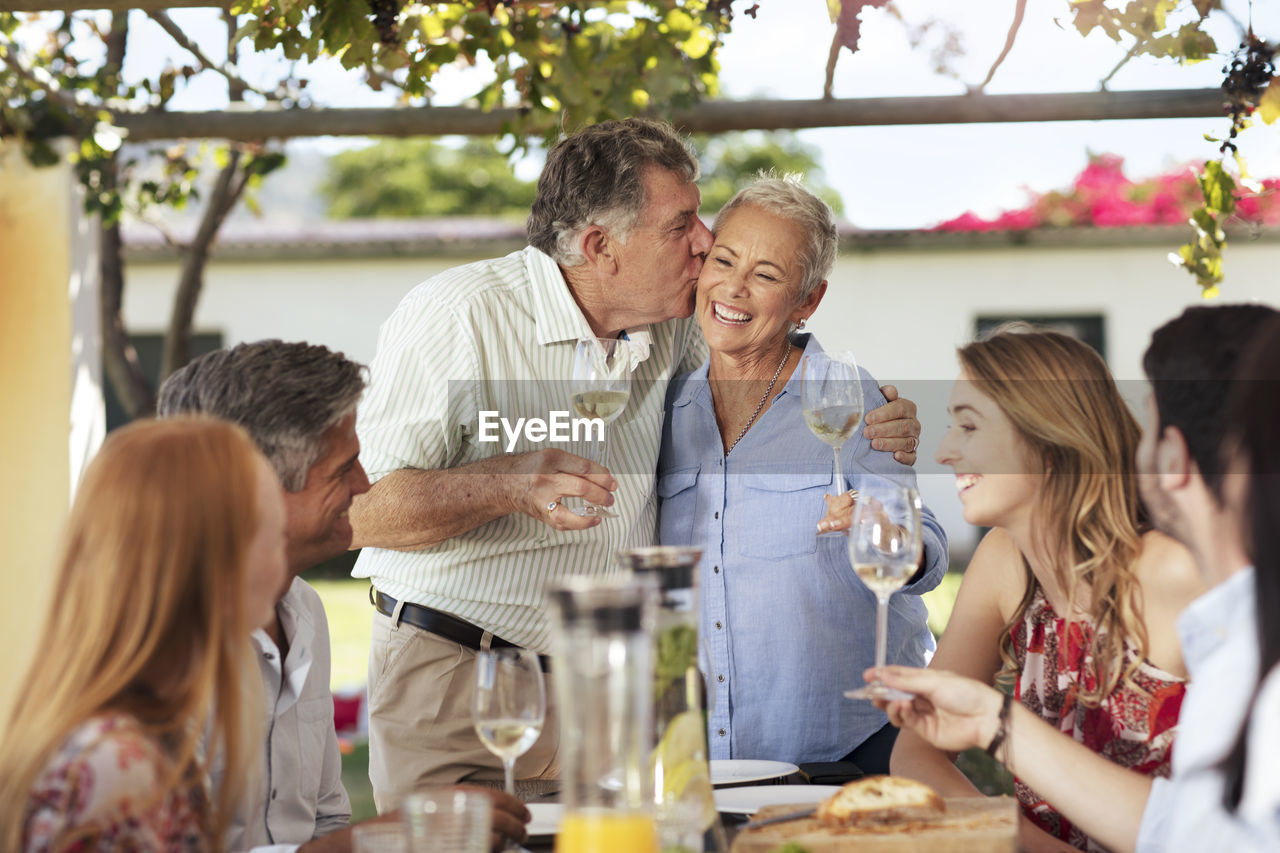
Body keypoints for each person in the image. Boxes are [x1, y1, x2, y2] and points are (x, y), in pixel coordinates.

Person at [349, 117, 925, 808]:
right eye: (682, 224)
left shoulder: (671, 327)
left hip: (609, 696)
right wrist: (506, 482)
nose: (706, 243)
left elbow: (765, 348)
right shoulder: (459, 315)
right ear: (600, 246)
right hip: (460, 683)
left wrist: (876, 412)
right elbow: (361, 510)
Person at [867, 304, 1280, 853]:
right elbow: (915, 754)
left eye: (969, 425)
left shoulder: (1176, 576)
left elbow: (1219, 832)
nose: (944, 451)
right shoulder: (1004, 560)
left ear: (1048, 438)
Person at [158, 340, 530, 852]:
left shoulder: (302, 610)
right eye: (342, 470)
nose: (365, 484)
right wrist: (403, 831)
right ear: (255, 488)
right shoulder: (158, 650)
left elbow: (326, 820)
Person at [654, 175, 946, 774]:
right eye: (724, 260)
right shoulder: (664, 407)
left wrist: (885, 534)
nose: (733, 287)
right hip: (709, 753)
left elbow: (928, 551)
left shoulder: (848, 400)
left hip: (849, 745)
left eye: (766, 275)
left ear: (807, 300)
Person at [0, 417, 288, 851]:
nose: (284, 562)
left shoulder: (143, 738)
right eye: (277, 538)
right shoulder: (115, 770)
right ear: (214, 569)